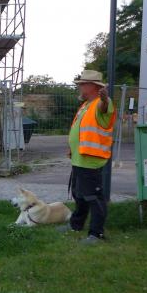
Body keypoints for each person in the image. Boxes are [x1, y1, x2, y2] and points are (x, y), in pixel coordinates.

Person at [60, 69, 116, 244]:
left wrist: (105, 98)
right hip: (80, 158)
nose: (80, 87)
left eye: (83, 84)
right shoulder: (86, 105)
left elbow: (105, 108)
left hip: (90, 159)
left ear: (93, 86)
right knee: (79, 194)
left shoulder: (101, 103)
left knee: (93, 197)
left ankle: (96, 234)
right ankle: (76, 224)